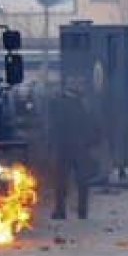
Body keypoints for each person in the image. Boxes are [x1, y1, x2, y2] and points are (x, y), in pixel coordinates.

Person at [50, 86, 99, 220]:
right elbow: (94, 125)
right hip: (81, 147)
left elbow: (55, 125)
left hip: (65, 147)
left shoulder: (60, 103)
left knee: (62, 180)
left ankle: (60, 210)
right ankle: (82, 211)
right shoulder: (85, 104)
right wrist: (92, 143)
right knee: (82, 180)